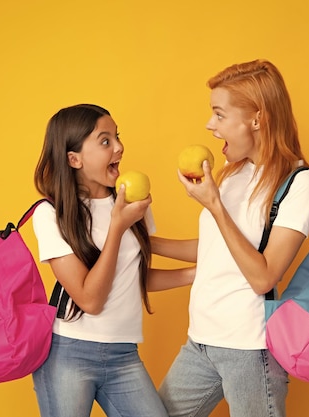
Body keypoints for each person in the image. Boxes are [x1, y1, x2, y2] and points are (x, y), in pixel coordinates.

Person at [153, 59, 309, 417]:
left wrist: (215, 206)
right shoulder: (233, 174)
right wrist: (146, 241)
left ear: (256, 119)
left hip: (249, 348)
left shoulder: (300, 182)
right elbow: (217, 251)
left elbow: (264, 275)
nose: (209, 125)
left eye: (219, 114)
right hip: (201, 340)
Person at [31, 104, 194, 417]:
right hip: (69, 353)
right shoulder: (52, 214)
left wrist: (194, 275)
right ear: (73, 159)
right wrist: (118, 227)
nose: (119, 147)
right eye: (105, 141)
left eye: (117, 137)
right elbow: (90, 299)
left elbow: (132, 278)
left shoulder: (132, 201)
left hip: (123, 354)